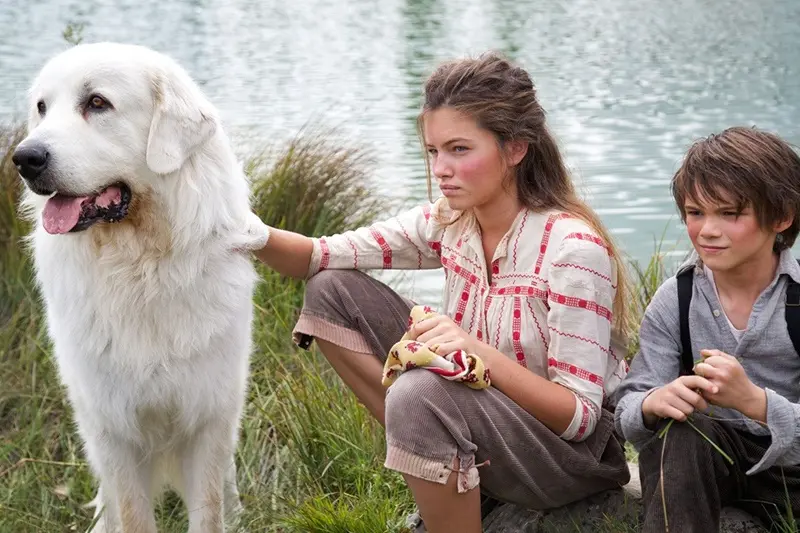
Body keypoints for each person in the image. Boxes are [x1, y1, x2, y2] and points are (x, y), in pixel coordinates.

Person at [251, 51, 632, 533]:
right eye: (433, 152)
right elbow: (314, 256)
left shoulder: (572, 249)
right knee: (331, 290)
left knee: (420, 389)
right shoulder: (448, 221)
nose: (441, 170)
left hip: (566, 459)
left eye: (459, 149)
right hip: (483, 416)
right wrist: (238, 230)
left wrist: (472, 350)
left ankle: (440, 462)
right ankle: (442, 461)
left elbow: (578, 418)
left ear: (515, 149)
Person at [614, 126, 800, 532]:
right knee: (682, 434)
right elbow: (626, 410)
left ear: (782, 216)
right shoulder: (675, 298)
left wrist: (755, 402)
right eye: (696, 213)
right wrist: (653, 402)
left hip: (792, 474)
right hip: (704, 462)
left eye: (730, 214)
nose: (708, 230)